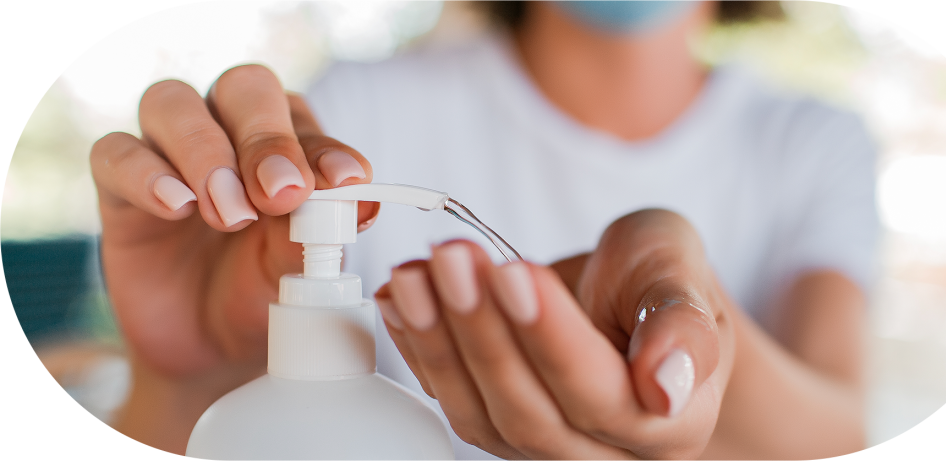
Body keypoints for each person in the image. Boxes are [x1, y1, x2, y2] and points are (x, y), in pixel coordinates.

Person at [90, 0, 878, 459]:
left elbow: (840, 431)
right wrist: (186, 383)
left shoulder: (811, 138)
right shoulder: (357, 112)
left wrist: (691, 333)